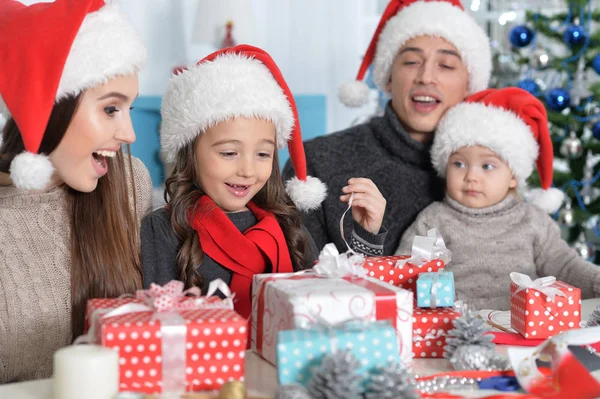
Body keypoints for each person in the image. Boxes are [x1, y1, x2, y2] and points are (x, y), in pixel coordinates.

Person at [141, 45, 388, 319]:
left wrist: (366, 235)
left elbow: (331, 303)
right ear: (190, 153)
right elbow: (159, 327)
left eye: (262, 154)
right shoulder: (163, 230)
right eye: (229, 153)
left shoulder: (289, 228)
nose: (247, 170)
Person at [0, 0, 151, 382]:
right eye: (111, 109)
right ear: (50, 109)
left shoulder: (131, 186)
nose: (129, 134)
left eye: (129, 108)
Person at [282, 0, 492, 255]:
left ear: (469, 84)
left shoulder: (491, 172)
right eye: (412, 61)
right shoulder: (315, 166)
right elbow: (297, 283)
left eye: (446, 65)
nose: (426, 77)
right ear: (388, 77)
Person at [396, 87, 600, 310]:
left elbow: (565, 266)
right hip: (457, 327)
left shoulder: (533, 221)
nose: (471, 176)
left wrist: (596, 282)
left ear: (513, 175)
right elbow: (406, 272)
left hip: (522, 330)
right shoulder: (434, 220)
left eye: (487, 166)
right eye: (459, 164)